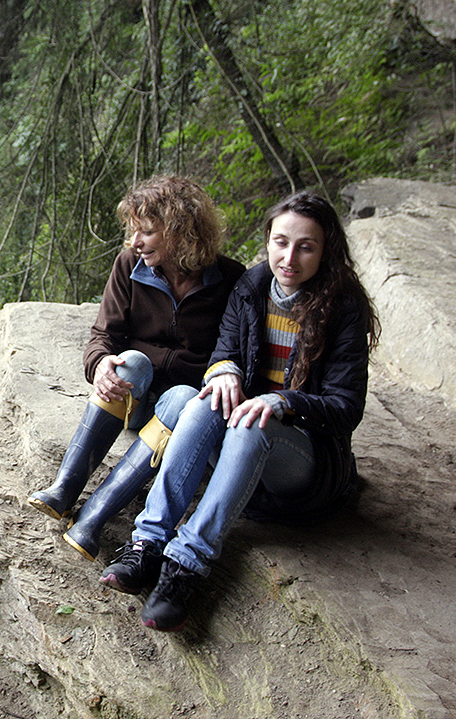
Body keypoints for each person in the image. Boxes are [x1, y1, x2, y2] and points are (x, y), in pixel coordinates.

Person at [101, 191, 379, 632]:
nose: (289, 257)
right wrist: (225, 372)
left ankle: (186, 567)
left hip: (305, 463)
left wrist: (283, 400)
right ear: (267, 240)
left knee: (256, 421)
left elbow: (345, 408)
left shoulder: (343, 307)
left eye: (306, 246)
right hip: (240, 444)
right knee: (207, 398)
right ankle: (148, 543)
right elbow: (225, 350)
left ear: (326, 251)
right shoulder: (251, 286)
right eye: (281, 242)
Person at [28, 175, 244, 561]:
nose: (134, 243)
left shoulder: (230, 280)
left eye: (146, 232)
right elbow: (103, 335)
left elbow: (233, 354)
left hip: (185, 416)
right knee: (131, 362)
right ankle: (64, 490)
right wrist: (100, 365)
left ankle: (92, 521)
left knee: (181, 398)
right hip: (133, 400)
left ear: (182, 232)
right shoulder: (129, 265)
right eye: (133, 231)